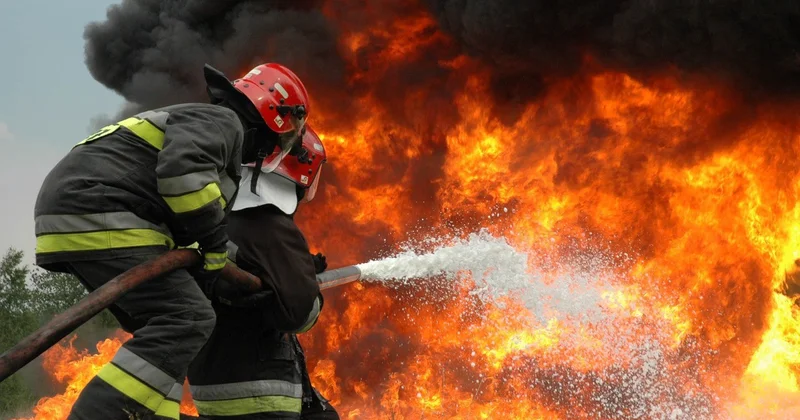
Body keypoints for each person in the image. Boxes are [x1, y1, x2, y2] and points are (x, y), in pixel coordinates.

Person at [33, 62, 311, 420]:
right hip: (101, 207)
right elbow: (182, 178)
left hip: (81, 210)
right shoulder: (224, 123)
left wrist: (227, 261)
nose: (279, 147)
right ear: (275, 115)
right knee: (189, 318)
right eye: (286, 135)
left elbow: (185, 216)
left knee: (167, 333)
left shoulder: (206, 126)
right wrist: (213, 246)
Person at [187, 126, 339, 420]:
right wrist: (310, 290)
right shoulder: (270, 224)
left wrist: (298, 268)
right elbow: (298, 314)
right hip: (260, 391)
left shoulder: (216, 217)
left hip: (213, 384)